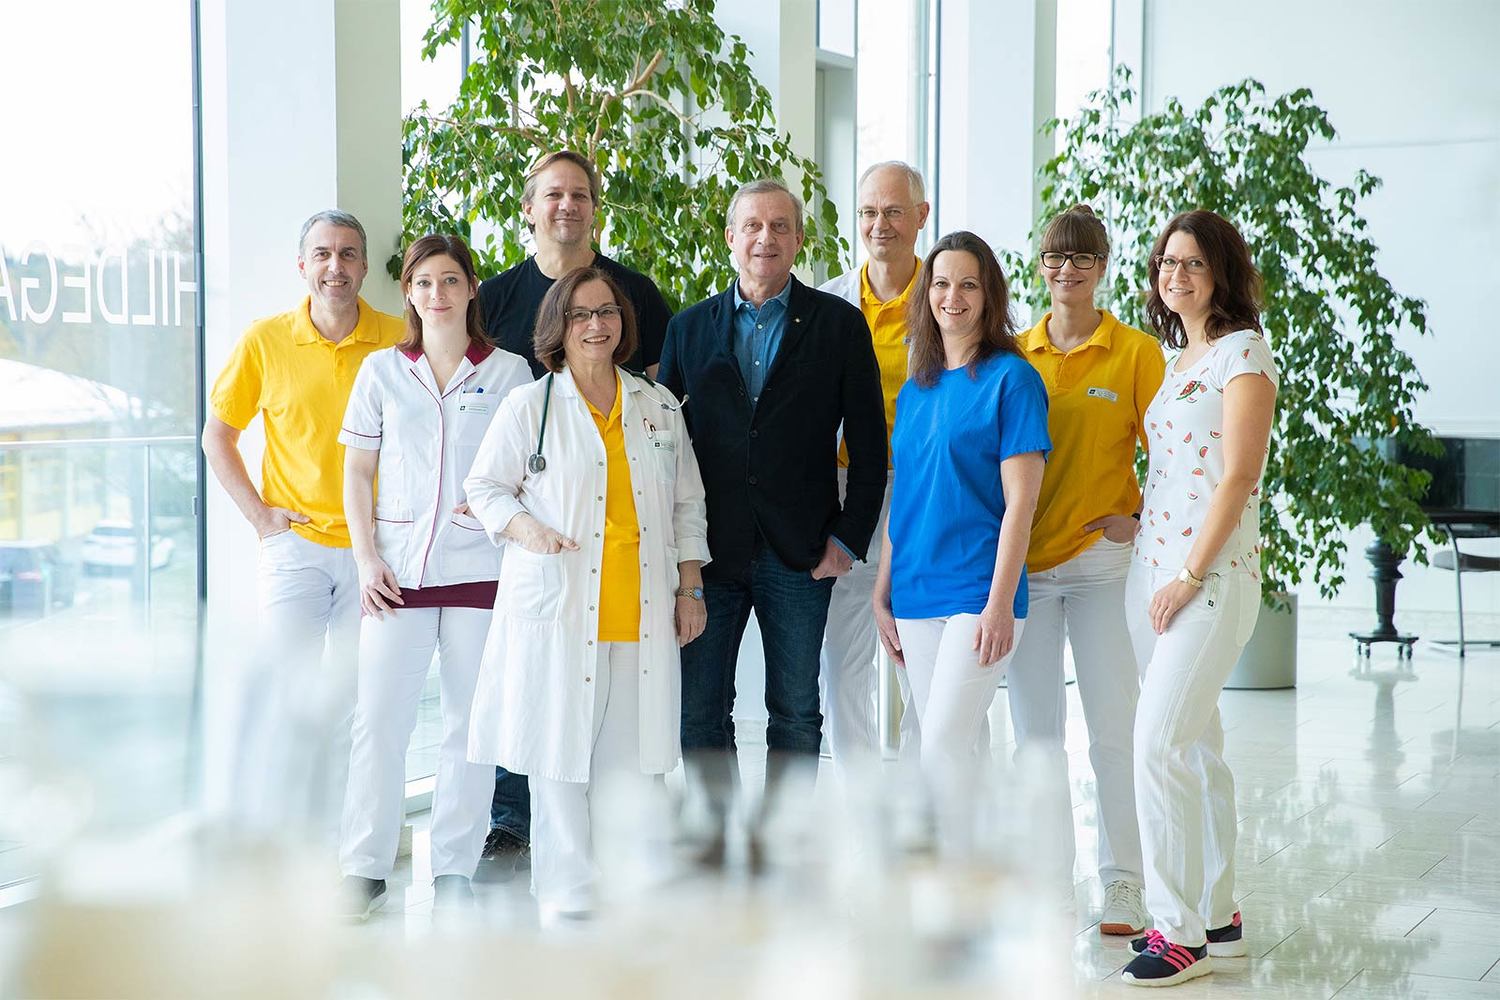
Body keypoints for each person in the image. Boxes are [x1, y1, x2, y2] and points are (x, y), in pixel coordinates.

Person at [464, 267, 709, 923]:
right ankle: (569, 897)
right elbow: (485, 488)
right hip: (561, 607)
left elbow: (689, 503)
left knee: (632, 768)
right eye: (580, 315)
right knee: (559, 758)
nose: (596, 325)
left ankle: (632, 886)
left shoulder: (656, 406)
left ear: (623, 323)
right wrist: (527, 529)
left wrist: (692, 587)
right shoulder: (530, 406)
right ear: (558, 327)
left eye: (607, 313)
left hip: (643, 607)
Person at [658, 178, 886, 864]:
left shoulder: (839, 325)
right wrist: (676, 553)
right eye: (751, 226)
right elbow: (664, 445)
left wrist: (847, 538)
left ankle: (780, 838)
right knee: (700, 709)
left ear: (797, 240)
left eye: (780, 226)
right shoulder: (688, 327)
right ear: (729, 238)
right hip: (709, 553)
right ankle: (711, 834)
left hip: (801, 551)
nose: (765, 238)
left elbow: (872, 444)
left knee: (795, 707)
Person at [476, 149, 675, 859]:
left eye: (580, 194)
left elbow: (662, 436)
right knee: (540, 710)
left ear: (595, 206)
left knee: (611, 736)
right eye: (552, 194)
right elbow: (486, 454)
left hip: (625, 560)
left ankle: (612, 870)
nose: (567, 205)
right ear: (528, 207)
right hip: (535, 538)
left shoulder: (639, 297)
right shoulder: (493, 299)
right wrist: (519, 523)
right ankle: (512, 824)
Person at [335, 235, 531, 919]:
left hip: (481, 571)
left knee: (469, 727)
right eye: (424, 282)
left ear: (472, 288)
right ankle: (363, 867)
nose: (437, 294)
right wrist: (366, 560)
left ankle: (452, 867)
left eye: (450, 280)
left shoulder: (510, 374)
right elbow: (357, 473)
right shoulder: (382, 372)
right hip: (396, 573)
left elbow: (532, 470)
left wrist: (496, 503)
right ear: (409, 293)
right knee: (379, 722)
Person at [203, 209, 403, 833]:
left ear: (365, 267)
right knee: (285, 693)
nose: (335, 267)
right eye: (322, 254)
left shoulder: (401, 337)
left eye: (348, 254)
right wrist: (261, 518)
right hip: (296, 548)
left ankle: (344, 845)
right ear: (303, 266)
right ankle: (270, 833)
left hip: (377, 551)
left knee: (356, 703)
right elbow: (217, 436)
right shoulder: (265, 340)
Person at [1119, 211, 1277, 988]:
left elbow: (1238, 477)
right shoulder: (1181, 357)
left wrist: (1187, 573)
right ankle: (1220, 915)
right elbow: (1177, 472)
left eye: (1192, 264)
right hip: (1152, 573)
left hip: (1209, 580)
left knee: (1157, 746)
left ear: (1221, 273)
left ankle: (1176, 932)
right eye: (1165, 263)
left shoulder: (1243, 352)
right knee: (1198, 749)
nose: (1174, 277)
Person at [1008, 205, 1165, 934]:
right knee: (1036, 734)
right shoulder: (1013, 353)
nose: (1066, 270)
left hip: (1104, 567)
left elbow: (1175, 450)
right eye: (1055, 258)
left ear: (1103, 268)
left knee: (1112, 730)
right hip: (1027, 574)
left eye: (1081, 259)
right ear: (1041, 267)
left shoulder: (1135, 352)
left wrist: (1142, 519)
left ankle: (1124, 882)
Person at [872, 231, 1050, 854]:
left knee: (941, 743)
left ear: (989, 295)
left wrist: (1001, 603)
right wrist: (881, 590)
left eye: (968, 284)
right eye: (942, 283)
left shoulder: (1012, 380)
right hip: (916, 590)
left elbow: (1021, 501)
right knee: (954, 745)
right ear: (927, 295)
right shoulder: (916, 390)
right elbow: (908, 495)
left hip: (979, 590)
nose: (953, 296)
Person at [817, 161, 929, 769]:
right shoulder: (831, 303)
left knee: (920, 645)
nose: (879, 224)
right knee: (846, 651)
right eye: (868, 212)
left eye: (892, 211)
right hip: (846, 491)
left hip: (922, 492)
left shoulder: (945, 299)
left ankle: (917, 799)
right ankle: (857, 800)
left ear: (921, 217)